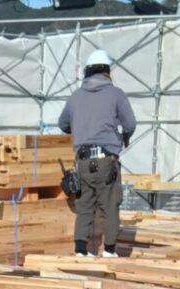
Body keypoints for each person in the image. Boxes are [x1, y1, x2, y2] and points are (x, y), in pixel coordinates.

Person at [58, 49, 136, 258]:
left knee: (84, 207)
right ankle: (109, 251)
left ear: (87, 72)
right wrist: (124, 138)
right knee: (110, 206)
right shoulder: (116, 94)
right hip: (106, 160)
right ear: (107, 72)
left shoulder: (75, 97)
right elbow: (130, 124)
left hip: (82, 162)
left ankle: (81, 251)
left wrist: (80, 128)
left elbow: (63, 124)